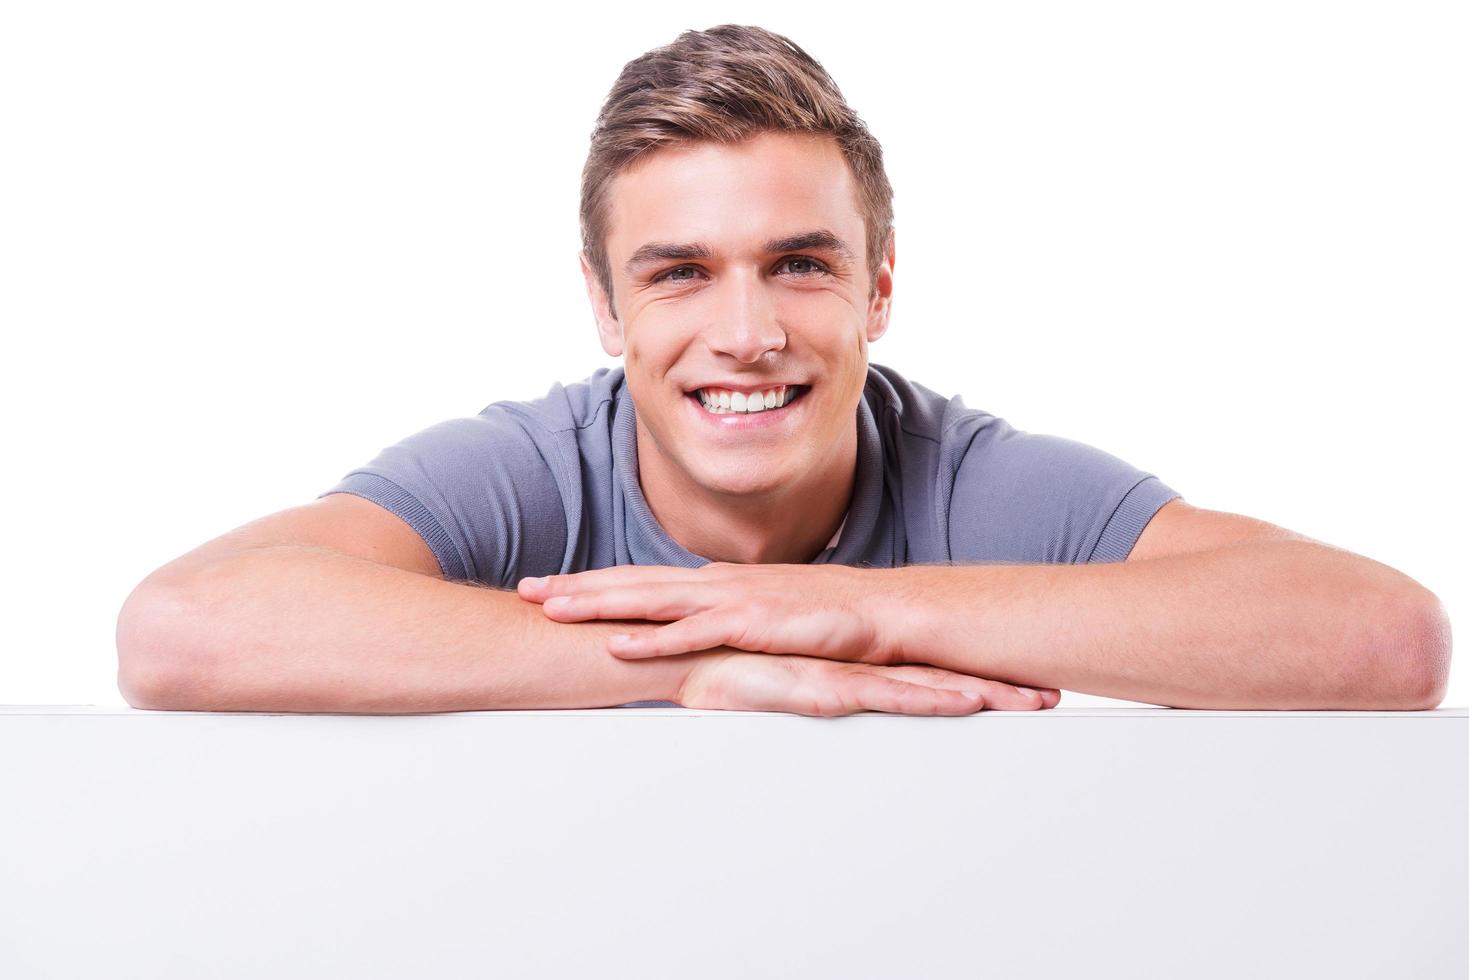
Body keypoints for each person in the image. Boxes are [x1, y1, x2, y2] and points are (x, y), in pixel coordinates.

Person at [115, 24, 1449, 717]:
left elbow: (1377, 638)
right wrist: (693, 665)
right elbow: (182, 629)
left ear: (878, 289)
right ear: (603, 307)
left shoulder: (963, 478)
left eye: (800, 265)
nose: (743, 330)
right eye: (679, 271)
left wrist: (854, 616)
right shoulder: (531, 466)